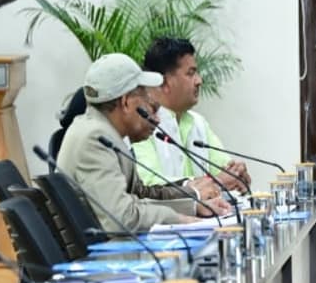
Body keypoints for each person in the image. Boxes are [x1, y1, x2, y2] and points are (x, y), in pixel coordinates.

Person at [57, 53, 221, 232]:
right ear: (126, 102)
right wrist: (181, 220)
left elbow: (140, 196)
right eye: (151, 108)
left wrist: (193, 206)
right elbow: (121, 218)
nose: (157, 120)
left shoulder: (106, 133)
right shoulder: (95, 138)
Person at [131, 38, 250, 192]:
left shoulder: (198, 122)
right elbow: (149, 184)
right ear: (165, 82)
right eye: (191, 73)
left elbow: (224, 170)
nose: (199, 80)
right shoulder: (142, 124)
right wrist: (215, 183)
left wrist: (237, 175)